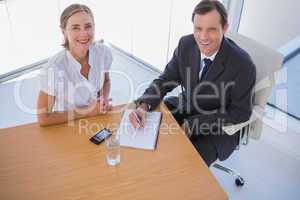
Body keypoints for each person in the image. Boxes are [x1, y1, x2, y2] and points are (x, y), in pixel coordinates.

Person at [129, 0, 256, 166]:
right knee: (147, 141)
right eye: (198, 29)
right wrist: (144, 105)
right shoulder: (186, 44)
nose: (203, 37)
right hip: (187, 107)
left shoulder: (243, 65)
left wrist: (193, 125)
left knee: (184, 165)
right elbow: (166, 79)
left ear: (225, 28)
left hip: (219, 128)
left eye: (211, 29)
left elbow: (240, 113)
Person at [37, 4, 113, 126]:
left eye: (88, 26)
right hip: (68, 124)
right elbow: (43, 118)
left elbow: (106, 81)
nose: (83, 34)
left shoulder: (103, 53)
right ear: (64, 31)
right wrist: (87, 111)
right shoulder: (54, 68)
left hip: (96, 119)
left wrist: (102, 99)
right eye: (75, 28)